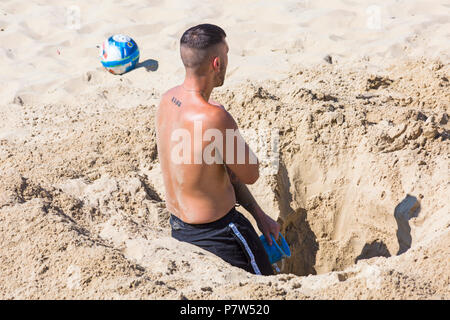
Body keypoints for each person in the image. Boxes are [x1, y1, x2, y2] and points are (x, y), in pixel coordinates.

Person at [155, 24, 280, 275]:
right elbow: (250, 174)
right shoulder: (214, 117)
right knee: (269, 286)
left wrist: (259, 214)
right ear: (216, 64)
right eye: (226, 54)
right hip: (221, 234)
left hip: (180, 230)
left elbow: (207, 175)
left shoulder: (167, 100)